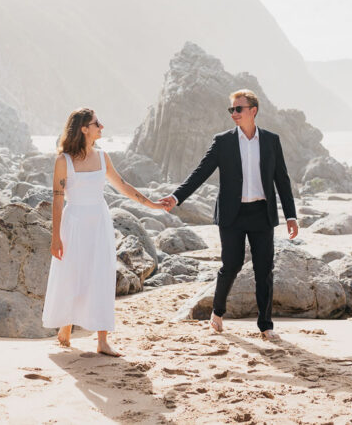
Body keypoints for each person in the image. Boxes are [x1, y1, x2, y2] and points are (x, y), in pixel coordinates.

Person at [160, 89, 298, 340]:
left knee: (264, 270)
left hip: (261, 213)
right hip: (232, 215)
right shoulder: (223, 141)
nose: (234, 113)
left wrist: (291, 216)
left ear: (253, 111)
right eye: (231, 109)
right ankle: (217, 312)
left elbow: (282, 180)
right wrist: (177, 197)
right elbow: (201, 172)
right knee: (231, 265)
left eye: (238, 109)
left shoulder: (271, 140)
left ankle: (266, 326)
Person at [42, 107, 170, 356]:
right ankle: (65, 324)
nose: (101, 127)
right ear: (83, 128)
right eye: (96, 123)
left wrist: (152, 204)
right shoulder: (63, 161)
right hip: (74, 222)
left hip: (99, 222)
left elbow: (122, 185)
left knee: (100, 276)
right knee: (71, 274)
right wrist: (55, 236)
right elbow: (58, 199)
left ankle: (102, 341)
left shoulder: (102, 157)